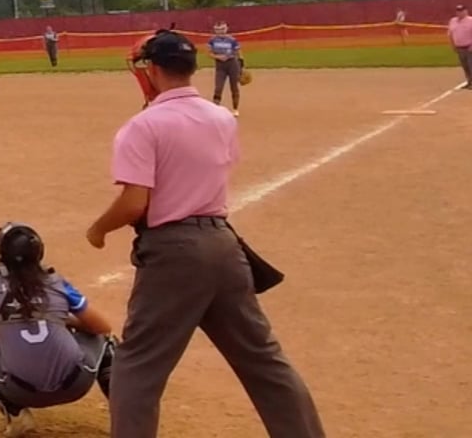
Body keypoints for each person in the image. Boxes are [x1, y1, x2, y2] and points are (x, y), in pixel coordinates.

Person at [85, 30, 324, 438]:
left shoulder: (142, 126)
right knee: (264, 362)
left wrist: (98, 229)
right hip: (224, 247)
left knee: (136, 367)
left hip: (173, 252)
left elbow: (135, 203)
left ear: (152, 69)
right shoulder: (221, 118)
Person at [0, 223, 116, 437]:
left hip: (20, 391)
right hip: (76, 384)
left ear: (0, 254)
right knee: (107, 341)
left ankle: (15, 414)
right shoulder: (56, 282)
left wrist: (4, 333)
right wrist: (64, 321)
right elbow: (102, 327)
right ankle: (124, 415)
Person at [207, 22, 244, 116]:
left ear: (226, 29)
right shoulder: (212, 40)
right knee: (218, 87)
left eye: (222, 29)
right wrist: (218, 57)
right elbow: (209, 53)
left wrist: (241, 68)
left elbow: (238, 53)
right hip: (220, 66)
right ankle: (216, 108)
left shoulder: (232, 40)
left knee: (234, 87)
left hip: (232, 64)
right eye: (218, 30)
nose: (220, 31)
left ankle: (235, 109)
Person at [449, 4, 472, 90]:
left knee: (471, 65)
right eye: (458, 11)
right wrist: (453, 45)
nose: (460, 13)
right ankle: (469, 82)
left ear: (466, 11)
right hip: (459, 48)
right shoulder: (452, 21)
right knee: (465, 66)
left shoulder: (471, 20)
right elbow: (450, 34)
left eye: (462, 11)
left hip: (469, 47)